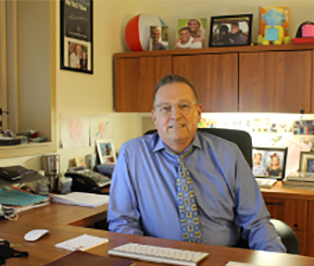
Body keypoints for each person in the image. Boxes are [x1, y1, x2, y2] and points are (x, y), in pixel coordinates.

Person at [108, 74, 285, 252]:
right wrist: (141, 261)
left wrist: (277, 264)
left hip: (221, 260)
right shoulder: (132, 155)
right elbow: (122, 222)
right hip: (160, 260)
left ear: (198, 112)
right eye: (165, 108)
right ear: (155, 117)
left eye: (184, 106)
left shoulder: (229, 154)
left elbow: (256, 223)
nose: (175, 115)